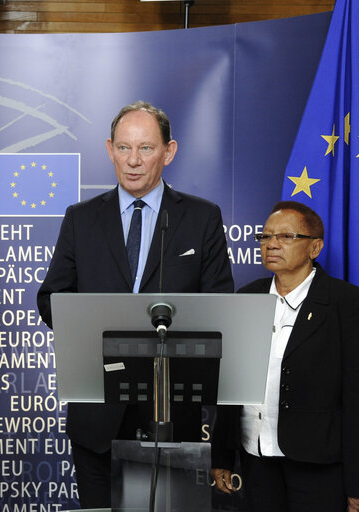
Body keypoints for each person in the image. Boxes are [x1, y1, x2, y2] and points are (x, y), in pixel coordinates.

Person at [37, 100, 234, 508]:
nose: (133, 161)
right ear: (109, 149)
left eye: (145, 148)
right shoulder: (81, 218)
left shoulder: (202, 218)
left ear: (169, 151)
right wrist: (98, 330)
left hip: (172, 415)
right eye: (124, 148)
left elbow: (220, 308)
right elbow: (51, 298)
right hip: (98, 412)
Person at [211, 201, 359, 512]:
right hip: (255, 459)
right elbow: (232, 385)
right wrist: (221, 455)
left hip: (318, 466)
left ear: (315, 247)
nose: (271, 244)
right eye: (264, 237)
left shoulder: (349, 305)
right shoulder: (246, 299)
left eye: (286, 237)